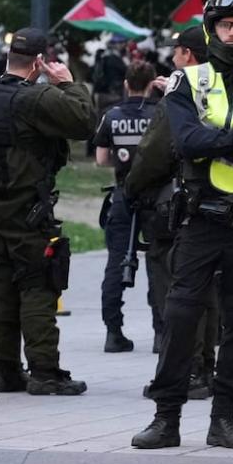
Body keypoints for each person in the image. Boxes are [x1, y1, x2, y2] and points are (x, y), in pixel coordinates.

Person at [131, 0, 233, 450]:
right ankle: (166, 419)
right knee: (180, 318)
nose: (232, 35)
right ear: (211, 29)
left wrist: (217, 141)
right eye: (225, 25)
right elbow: (185, 142)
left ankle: (224, 419)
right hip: (199, 218)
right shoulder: (186, 80)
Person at [0, 27, 97, 396]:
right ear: (39, 61)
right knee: (38, 286)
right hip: (28, 211)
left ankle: (3, 371)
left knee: (1, 288)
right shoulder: (35, 98)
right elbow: (85, 122)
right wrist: (68, 83)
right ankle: (44, 372)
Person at [124, 27, 219, 398]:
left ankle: (182, 373)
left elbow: (152, 155)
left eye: (177, 52)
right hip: (217, 203)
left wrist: (131, 188)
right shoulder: (225, 95)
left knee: (176, 293)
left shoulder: (177, 99)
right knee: (208, 292)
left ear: (189, 56)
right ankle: (204, 369)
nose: (173, 58)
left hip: (176, 210)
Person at [94, 60, 163, 353]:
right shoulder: (160, 114)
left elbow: (100, 159)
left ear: (125, 84)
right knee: (159, 264)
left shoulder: (112, 116)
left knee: (116, 261)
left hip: (124, 194)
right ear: (151, 85)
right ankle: (161, 333)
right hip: (157, 197)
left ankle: (113, 331)